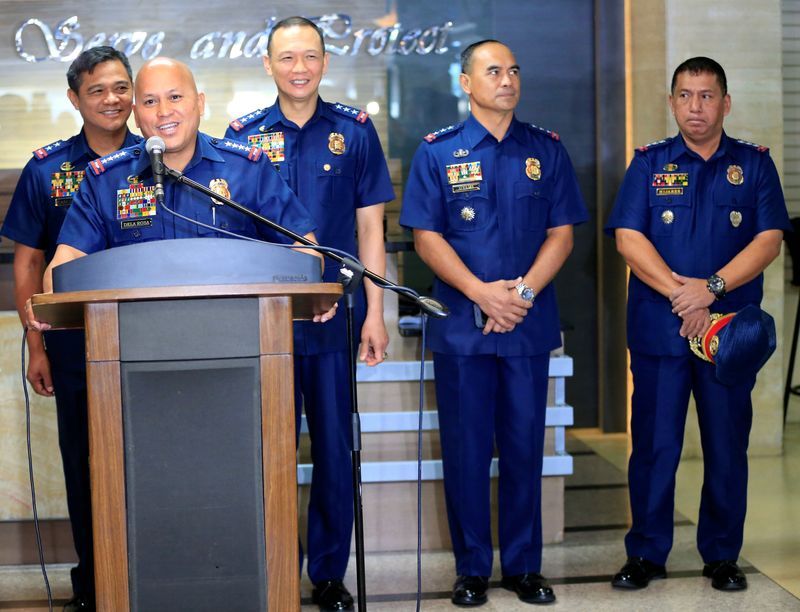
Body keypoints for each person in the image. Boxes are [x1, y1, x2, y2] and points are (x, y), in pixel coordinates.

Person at [399, 39, 587, 606]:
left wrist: (520, 295)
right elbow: (426, 238)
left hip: (527, 324)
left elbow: (562, 234)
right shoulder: (437, 152)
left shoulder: (545, 149)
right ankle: (472, 569)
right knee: (466, 451)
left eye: (513, 70)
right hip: (463, 327)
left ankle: (525, 567)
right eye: (493, 71)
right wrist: (482, 293)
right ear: (466, 83)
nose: (506, 80)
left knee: (524, 448)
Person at [225, 17, 394, 611]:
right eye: (287, 57)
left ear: (325, 61)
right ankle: (273, 569)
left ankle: (327, 575)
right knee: (267, 451)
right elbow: (233, 235)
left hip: (334, 319)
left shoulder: (355, 132)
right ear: (267, 65)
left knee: (334, 450)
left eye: (311, 56)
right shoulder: (241, 139)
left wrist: (376, 311)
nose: (300, 68)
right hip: (266, 322)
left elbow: (371, 229)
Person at [605, 56, 790, 592]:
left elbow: (769, 240)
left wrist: (710, 290)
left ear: (725, 103)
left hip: (728, 333)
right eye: (685, 96)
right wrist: (682, 296)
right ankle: (646, 553)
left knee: (727, 447)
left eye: (706, 96)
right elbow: (628, 239)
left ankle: (722, 555)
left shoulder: (754, 165)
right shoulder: (649, 163)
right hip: (659, 331)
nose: (695, 107)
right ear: (671, 102)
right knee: (654, 447)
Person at [1, 46, 141, 612]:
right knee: (86, 465)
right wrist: (35, 344)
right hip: (72, 344)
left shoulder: (158, 157)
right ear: (74, 99)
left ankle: (150, 577)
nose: (112, 100)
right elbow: (29, 264)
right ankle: (94, 583)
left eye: (121, 87)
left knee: (150, 461)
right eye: (97, 90)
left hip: (150, 341)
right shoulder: (47, 169)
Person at [32, 57, 330, 305]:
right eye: (150, 101)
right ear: (136, 115)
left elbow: (306, 251)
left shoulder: (247, 169)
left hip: (241, 337)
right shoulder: (106, 181)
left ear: (199, 103)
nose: (164, 112)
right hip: (135, 343)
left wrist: (308, 295)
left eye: (175, 97)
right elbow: (62, 269)